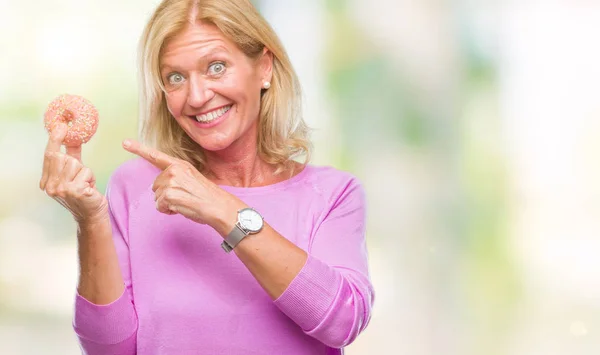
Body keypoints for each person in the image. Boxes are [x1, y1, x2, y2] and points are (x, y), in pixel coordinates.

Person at [39, 0, 374, 353]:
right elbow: (108, 350)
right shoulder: (135, 188)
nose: (197, 96)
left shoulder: (333, 195)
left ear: (264, 67)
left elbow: (342, 322)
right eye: (176, 77)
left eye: (216, 67)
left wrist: (223, 210)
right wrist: (90, 220)